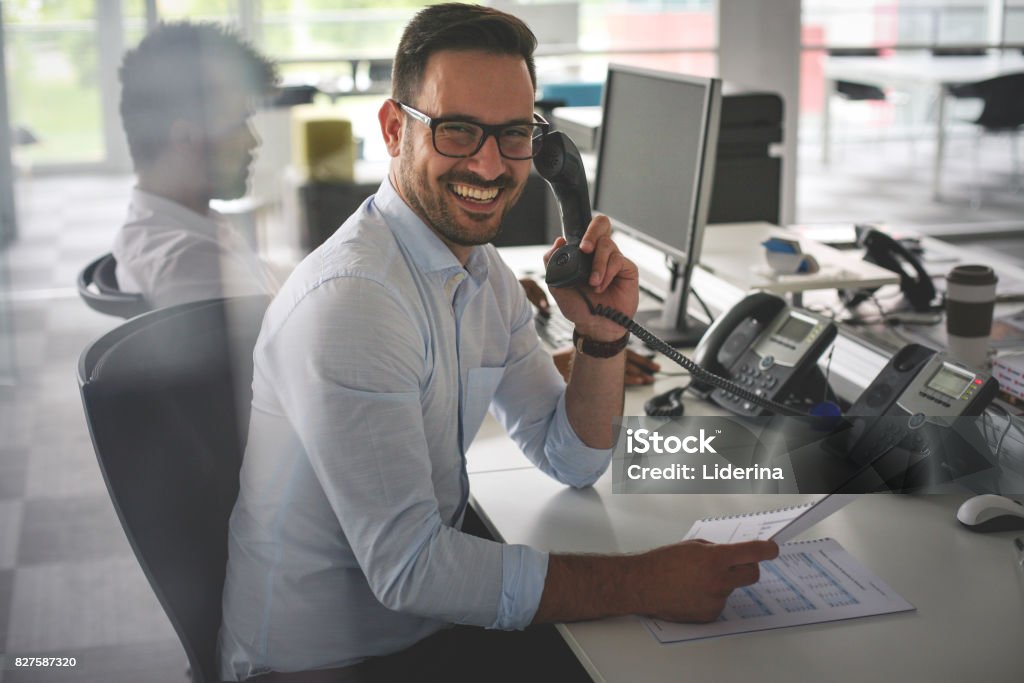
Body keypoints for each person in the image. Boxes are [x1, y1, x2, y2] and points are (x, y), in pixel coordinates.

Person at [218, 5, 777, 681]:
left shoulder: (479, 273)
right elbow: (413, 569)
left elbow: (569, 457)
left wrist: (599, 337)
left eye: (514, 134)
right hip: (329, 661)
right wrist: (647, 580)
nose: (489, 164)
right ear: (396, 129)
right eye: (457, 131)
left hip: (417, 629)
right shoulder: (354, 303)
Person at [112, 22, 280, 309]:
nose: (253, 141)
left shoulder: (172, 224)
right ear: (186, 137)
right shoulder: (190, 264)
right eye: (239, 122)